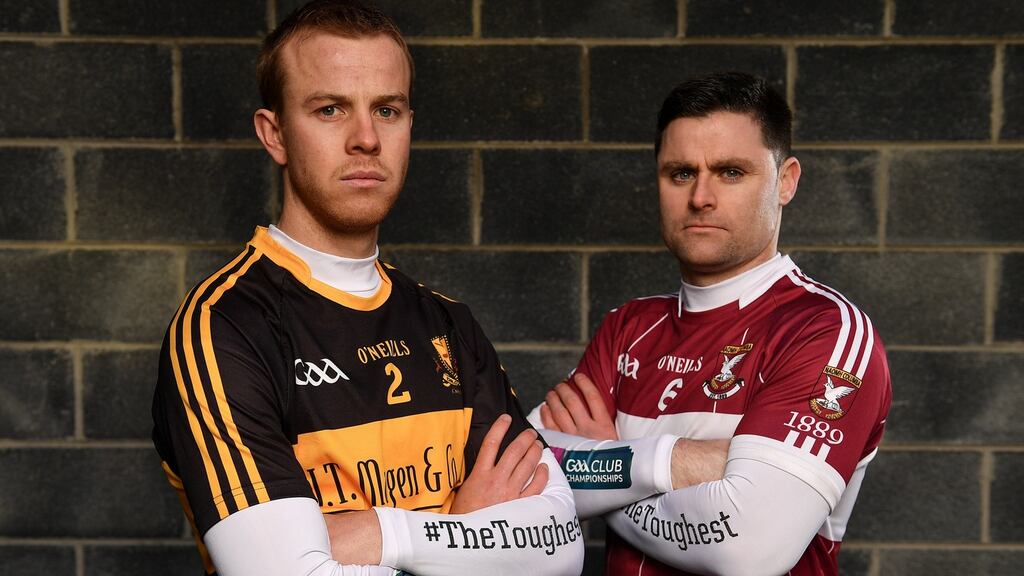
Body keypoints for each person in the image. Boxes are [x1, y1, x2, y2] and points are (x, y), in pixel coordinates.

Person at [151, 2, 583, 575]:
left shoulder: (448, 323)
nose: (366, 138)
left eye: (387, 110)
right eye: (330, 109)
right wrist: (470, 534)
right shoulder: (224, 326)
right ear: (275, 135)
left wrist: (381, 535)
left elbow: (560, 547)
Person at [528, 72, 891, 575]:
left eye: (730, 172)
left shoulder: (824, 333)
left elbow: (745, 547)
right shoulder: (627, 328)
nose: (700, 197)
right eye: (680, 173)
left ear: (785, 181)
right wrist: (673, 462)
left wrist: (607, 467)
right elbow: (525, 478)